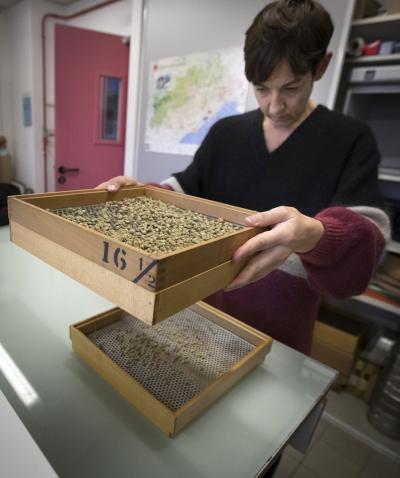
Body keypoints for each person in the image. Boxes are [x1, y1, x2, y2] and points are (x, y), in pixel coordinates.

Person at [97, 0, 390, 357]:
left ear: (322, 66)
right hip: (196, 312)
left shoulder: (350, 139)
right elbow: (186, 187)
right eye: (262, 88)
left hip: (278, 333)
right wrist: (142, 194)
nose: (274, 105)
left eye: (291, 87)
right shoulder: (226, 132)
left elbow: (365, 247)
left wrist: (315, 235)